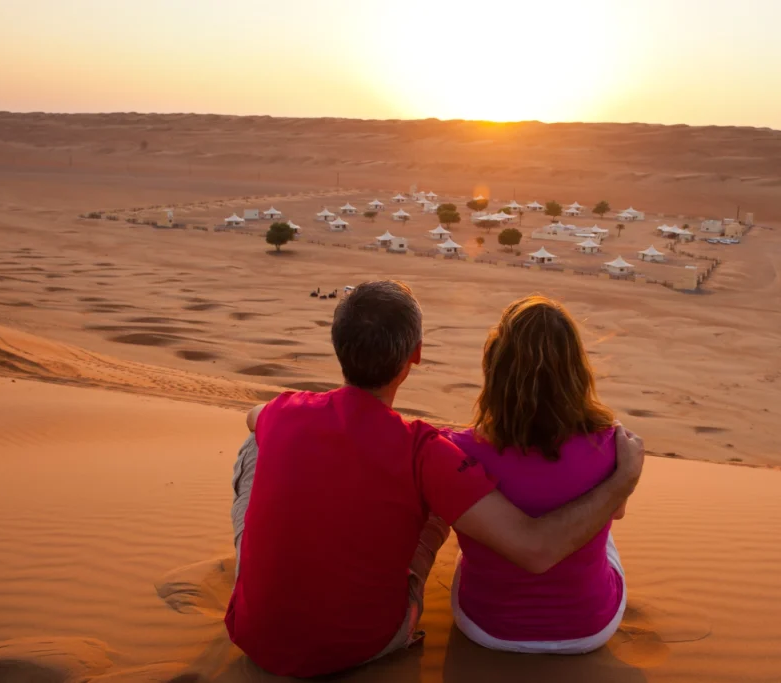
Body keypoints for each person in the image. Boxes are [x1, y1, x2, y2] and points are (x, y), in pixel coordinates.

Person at [226, 281, 643, 678]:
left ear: (337, 344)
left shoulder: (285, 410)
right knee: (458, 492)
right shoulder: (425, 449)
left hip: (255, 638)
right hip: (369, 644)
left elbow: (254, 416)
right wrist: (623, 477)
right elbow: (535, 549)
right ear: (417, 354)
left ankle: (270, 579)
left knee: (254, 446)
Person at [446, 295, 641, 654]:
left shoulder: (455, 451)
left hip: (486, 628)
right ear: (576, 371)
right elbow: (616, 510)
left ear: (494, 366)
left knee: (471, 537)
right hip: (589, 629)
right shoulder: (614, 445)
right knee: (604, 522)